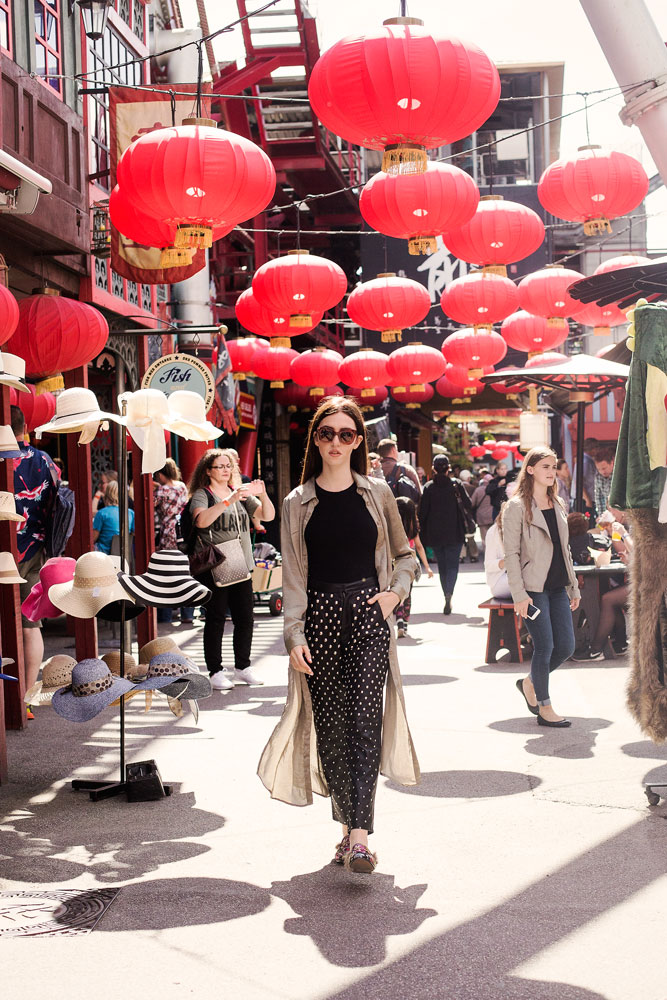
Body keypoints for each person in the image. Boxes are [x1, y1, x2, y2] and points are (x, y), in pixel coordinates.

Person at [261, 396, 418, 873]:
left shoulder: (378, 493)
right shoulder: (295, 502)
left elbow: (405, 554)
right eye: (326, 433)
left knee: (366, 721)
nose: (335, 441)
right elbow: (292, 578)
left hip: (370, 615)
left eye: (345, 434)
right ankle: (348, 828)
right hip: (320, 617)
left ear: (358, 441)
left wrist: (395, 594)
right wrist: (292, 637)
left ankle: (360, 837)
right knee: (332, 728)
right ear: (315, 439)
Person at [502, 447, 581, 728]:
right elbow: (510, 554)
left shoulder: (557, 502)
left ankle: (530, 682)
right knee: (544, 646)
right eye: (546, 466)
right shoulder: (516, 507)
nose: (552, 471)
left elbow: (565, 549)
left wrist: (573, 586)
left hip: (559, 586)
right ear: (531, 469)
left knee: (566, 645)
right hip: (534, 588)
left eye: (554, 466)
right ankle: (544, 706)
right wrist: (519, 594)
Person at [189, 448, 275, 690]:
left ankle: (243, 667)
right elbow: (201, 521)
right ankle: (215, 671)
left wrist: (263, 494)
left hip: (241, 563)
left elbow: (267, 515)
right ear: (208, 471)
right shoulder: (203, 494)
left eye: (229, 466)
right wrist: (229, 500)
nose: (227, 470)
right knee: (215, 618)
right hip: (215, 565)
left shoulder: (240, 493)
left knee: (245, 618)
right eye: (221, 466)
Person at [11, 406, 58, 697]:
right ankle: (27, 697)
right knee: (30, 625)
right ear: (25, 426)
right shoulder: (44, 460)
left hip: (5, 552)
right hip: (34, 550)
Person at [572, 508, 633, 661]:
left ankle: (596, 650)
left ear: (623, 512)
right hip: (642, 578)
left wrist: (624, 534)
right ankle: (620, 644)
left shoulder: (638, 525)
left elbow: (640, 554)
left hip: (651, 582)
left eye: (613, 511)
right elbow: (621, 548)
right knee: (609, 597)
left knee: (608, 599)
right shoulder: (622, 525)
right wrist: (616, 534)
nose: (611, 513)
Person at [418, 454, 473, 615]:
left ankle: (445, 594)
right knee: (453, 566)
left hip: (435, 534)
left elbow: (422, 513)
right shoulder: (456, 484)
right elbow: (468, 504)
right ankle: (450, 593)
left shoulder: (428, 487)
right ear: (449, 468)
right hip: (455, 532)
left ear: (433, 469)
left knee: (442, 567)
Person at [153, 458, 189, 624]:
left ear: (161, 474)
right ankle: (188, 614)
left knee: (166, 574)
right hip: (182, 531)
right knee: (185, 572)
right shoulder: (182, 487)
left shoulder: (161, 491)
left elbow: (151, 508)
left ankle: (165, 615)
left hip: (167, 531)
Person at [394, 496, 433, 638]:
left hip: (394, 563)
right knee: (408, 594)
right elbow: (419, 546)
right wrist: (427, 566)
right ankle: (404, 624)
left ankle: (398, 618)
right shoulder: (413, 527)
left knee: (397, 592)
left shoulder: (392, 526)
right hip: (409, 563)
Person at [483, 482, 519, 600]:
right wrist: (506, 561)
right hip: (499, 580)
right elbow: (489, 565)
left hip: (516, 577)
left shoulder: (521, 529)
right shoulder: (494, 532)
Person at [92, 480, 134, 554]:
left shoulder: (101, 513)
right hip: (124, 555)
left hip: (104, 555)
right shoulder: (130, 513)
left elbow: (93, 538)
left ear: (107, 494)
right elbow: (133, 534)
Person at [593, 445, 616, 519]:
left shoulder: (619, 475)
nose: (602, 472)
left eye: (604, 468)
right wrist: (602, 516)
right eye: (599, 469)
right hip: (608, 514)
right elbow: (598, 497)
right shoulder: (598, 476)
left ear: (612, 463)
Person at [471, 472, 494, 544]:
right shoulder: (495, 489)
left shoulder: (478, 490)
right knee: (493, 536)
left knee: (484, 537)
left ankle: (486, 552)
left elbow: (472, 503)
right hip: (492, 515)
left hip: (481, 517)